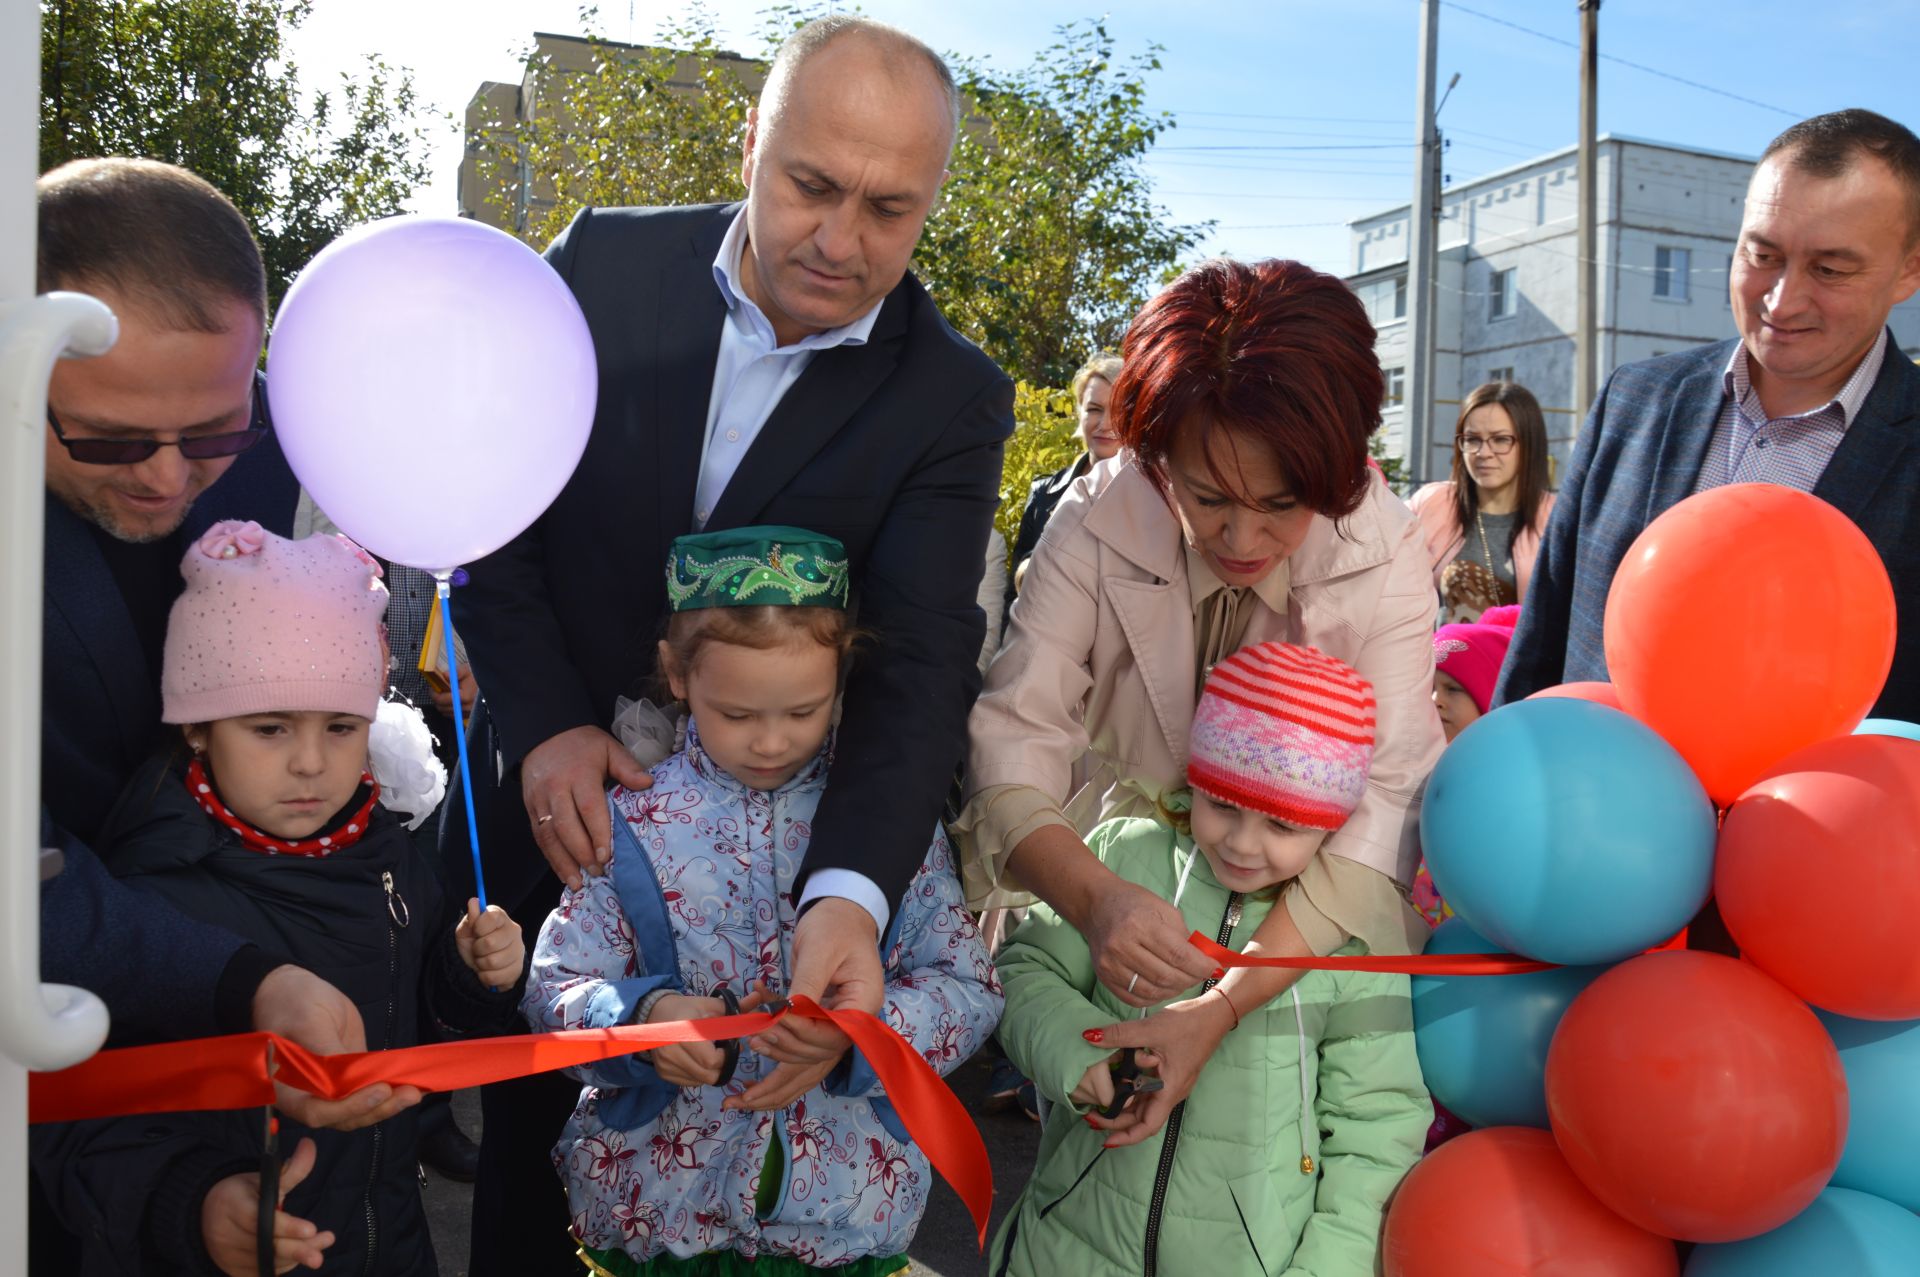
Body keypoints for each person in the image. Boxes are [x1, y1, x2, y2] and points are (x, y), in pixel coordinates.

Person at [448, 17, 1013, 1270]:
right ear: (751, 140)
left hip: (768, 863)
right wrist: (544, 722)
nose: (840, 239)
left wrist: (852, 891)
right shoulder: (597, 267)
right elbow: (490, 516)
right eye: (812, 184)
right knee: (530, 1179)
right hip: (557, 816)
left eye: (890, 208)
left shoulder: (950, 397)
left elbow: (922, 659)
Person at [956, 257, 1441, 1149]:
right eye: (1207, 497)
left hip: (1302, 930)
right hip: (1114, 878)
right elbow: (1017, 730)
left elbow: (1387, 803)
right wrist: (1098, 900)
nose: (1241, 538)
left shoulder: (1386, 550)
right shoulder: (1095, 515)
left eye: (1281, 505)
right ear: (1154, 453)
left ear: (1336, 476)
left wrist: (1223, 1003)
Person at [31, 156, 420, 1267]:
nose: (167, 477)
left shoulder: (276, 474)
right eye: (108, 440)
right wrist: (231, 973)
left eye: (212, 431)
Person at [37, 523, 526, 1276]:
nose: (309, 762)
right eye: (268, 727)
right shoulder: (148, 899)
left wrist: (467, 972)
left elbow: (424, 1020)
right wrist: (194, 1203)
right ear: (198, 725)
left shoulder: (386, 850)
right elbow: (87, 1122)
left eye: (340, 726)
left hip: (391, 1240)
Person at [523, 527, 1001, 1275]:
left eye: (804, 711)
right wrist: (642, 1019)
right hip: (654, 1214)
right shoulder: (633, 824)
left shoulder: (888, 826)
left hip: (845, 1218)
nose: (772, 741)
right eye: (738, 715)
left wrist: (864, 1036)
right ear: (676, 676)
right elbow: (553, 991)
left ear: (842, 677)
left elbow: (969, 987)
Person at [991, 643, 1430, 1277]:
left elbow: (1376, 1125)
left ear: (1333, 827)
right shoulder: (1124, 857)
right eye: (1222, 804)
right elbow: (1024, 970)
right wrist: (1077, 1052)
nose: (1244, 844)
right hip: (1065, 1246)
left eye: (1284, 826)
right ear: (1195, 779)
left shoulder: (1355, 939)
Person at [1499, 108, 1920, 709]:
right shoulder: (1633, 400)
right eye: (1762, 255)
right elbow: (1545, 635)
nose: (1782, 299)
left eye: (1830, 269)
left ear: (1910, 268)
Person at [1407, 382, 1556, 624]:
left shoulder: (1558, 519)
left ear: (1529, 444)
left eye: (1500, 440)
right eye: (1472, 439)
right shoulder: (1431, 503)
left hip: (1518, 661)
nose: (1483, 452)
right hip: (1436, 659)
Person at [1410, 604, 1521, 928]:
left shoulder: (1508, 789)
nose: (1436, 700)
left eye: (1453, 689)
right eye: (1429, 688)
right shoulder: (1407, 768)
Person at [1007, 352, 1124, 601]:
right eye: (1094, 409)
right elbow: (1011, 597)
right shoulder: (1043, 493)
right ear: (1078, 415)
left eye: (1120, 411)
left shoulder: (1153, 502)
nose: (1106, 423)